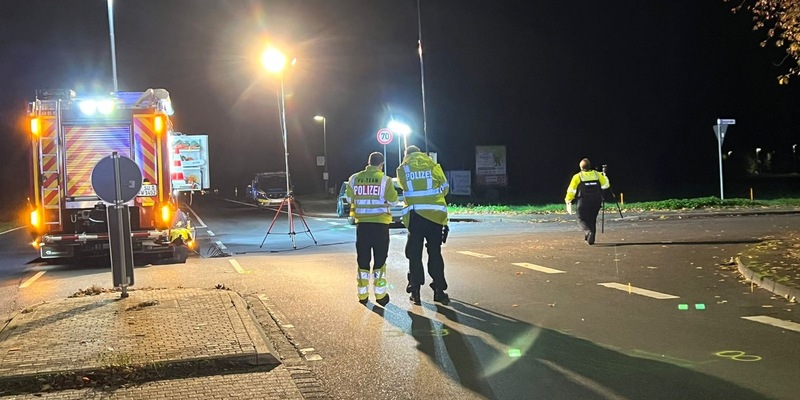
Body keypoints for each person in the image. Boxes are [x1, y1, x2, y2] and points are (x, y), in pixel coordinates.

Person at [396, 145, 450, 305]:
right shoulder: (433, 165)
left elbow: (403, 186)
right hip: (435, 216)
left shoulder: (402, 169)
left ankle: (415, 292)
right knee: (435, 252)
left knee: (414, 254)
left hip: (415, 216)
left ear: (407, 155)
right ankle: (439, 291)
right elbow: (445, 189)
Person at [346, 152, 398, 306]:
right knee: (380, 261)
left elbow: (349, 199)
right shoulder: (384, 180)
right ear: (381, 164)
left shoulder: (354, 178)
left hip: (362, 226)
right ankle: (380, 296)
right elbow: (394, 202)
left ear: (368, 162)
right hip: (380, 226)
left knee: (363, 260)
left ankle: (362, 296)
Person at [565, 158, 610, 245]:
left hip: (583, 201)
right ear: (590, 166)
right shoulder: (597, 175)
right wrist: (604, 176)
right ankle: (590, 239)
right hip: (596, 201)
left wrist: (568, 200)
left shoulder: (577, 176)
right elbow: (605, 186)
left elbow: (571, 190)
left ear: (581, 167)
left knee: (581, 218)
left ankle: (588, 232)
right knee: (592, 219)